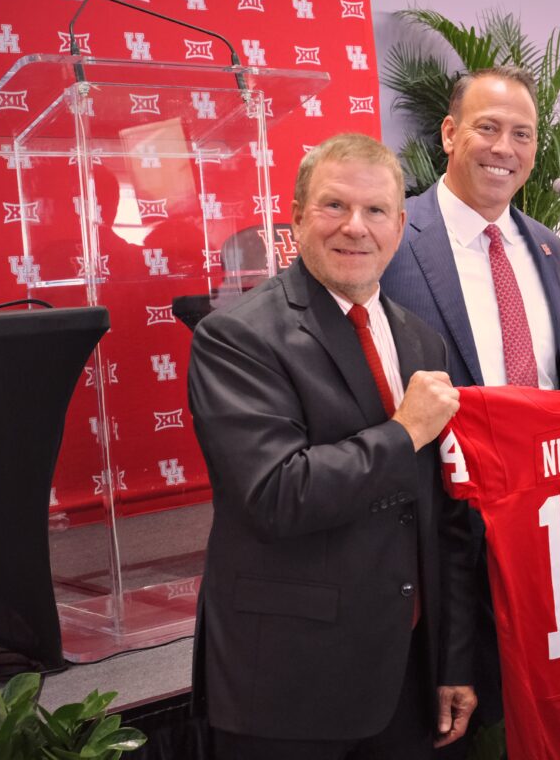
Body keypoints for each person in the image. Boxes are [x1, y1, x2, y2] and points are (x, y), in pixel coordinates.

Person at [188, 133, 476, 760]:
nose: (355, 227)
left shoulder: (421, 340)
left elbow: (444, 517)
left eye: (376, 210)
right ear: (296, 217)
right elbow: (276, 494)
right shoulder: (236, 337)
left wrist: (453, 660)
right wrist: (405, 431)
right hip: (288, 685)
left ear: (398, 228)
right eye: (334, 205)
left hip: (406, 676)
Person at [381, 65, 560, 746]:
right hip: (439, 540)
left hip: (544, 525)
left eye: (522, 134)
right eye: (487, 128)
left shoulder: (546, 245)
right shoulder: (394, 238)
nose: (504, 148)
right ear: (449, 133)